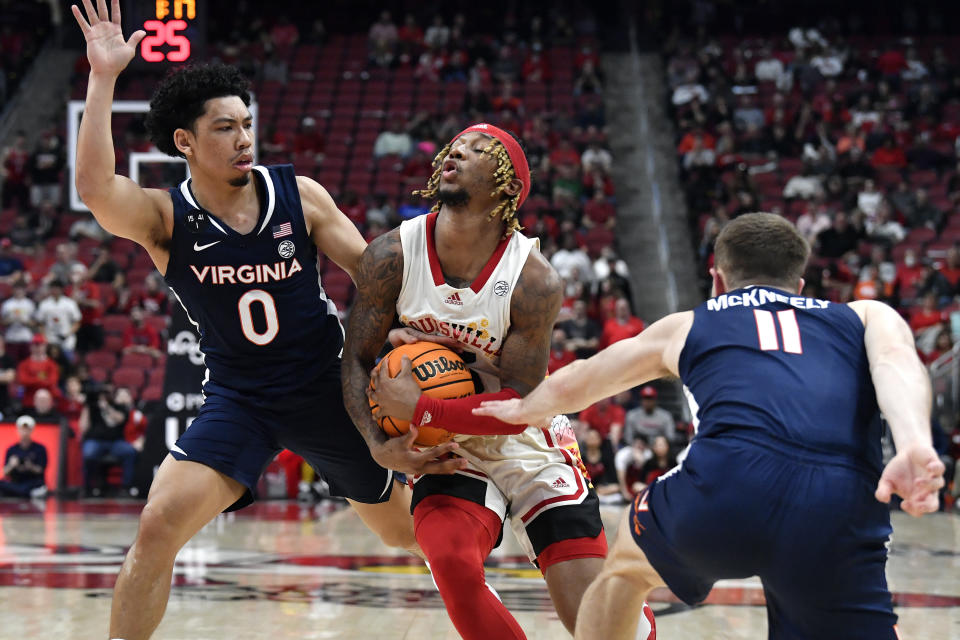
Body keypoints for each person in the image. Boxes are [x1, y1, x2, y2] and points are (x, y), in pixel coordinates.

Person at [70, 4, 458, 638]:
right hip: (240, 399)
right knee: (158, 523)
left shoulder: (298, 195)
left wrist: (413, 343)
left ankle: (503, 588)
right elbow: (94, 188)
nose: (244, 138)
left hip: (328, 390)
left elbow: (372, 276)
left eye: (247, 124)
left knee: (403, 532)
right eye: (225, 128)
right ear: (185, 142)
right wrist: (104, 77)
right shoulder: (167, 218)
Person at [476, 213, 945, 640]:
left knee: (625, 568)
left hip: (729, 483)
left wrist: (521, 411)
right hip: (839, 500)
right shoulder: (863, 315)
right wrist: (913, 444)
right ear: (799, 285)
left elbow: (582, 379)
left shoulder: (688, 324)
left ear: (717, 278)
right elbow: (897, 361)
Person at [344, 123, 652, 639]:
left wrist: (424, 408)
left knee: (596, 626)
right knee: (450, 561)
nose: (458, 150)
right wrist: (379, 446)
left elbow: (517, 407)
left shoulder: (533, 279)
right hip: (450, 445)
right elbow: (355, 360)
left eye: (479, 149)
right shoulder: (392, 255)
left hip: (528, 441)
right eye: (456, 145)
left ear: (508, 186)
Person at [0, 415, 47, 498]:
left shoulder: (40, 449)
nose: (25, 432)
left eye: (27, 429)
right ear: (18, 430)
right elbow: (5, 472)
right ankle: (27, 493)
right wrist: (11, 465)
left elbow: (41, 470)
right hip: (17, 482)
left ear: (32, 430)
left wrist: (30, 466)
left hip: (32, 481)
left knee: (39, 485)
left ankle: (24, 492)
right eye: (22, 429)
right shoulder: (12, 449)